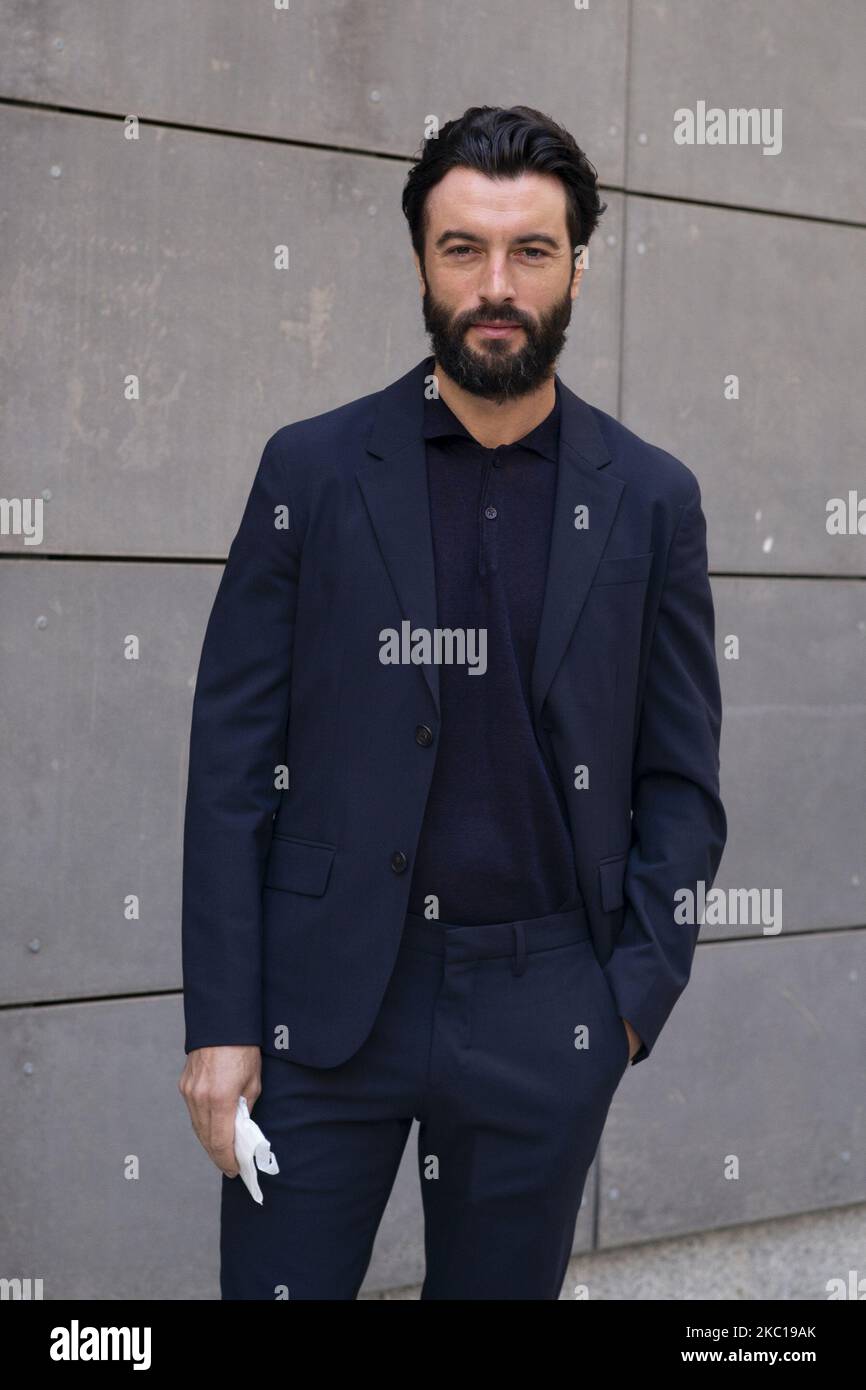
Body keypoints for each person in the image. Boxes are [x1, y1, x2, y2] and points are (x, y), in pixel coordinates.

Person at [178, 104, 727, 1300]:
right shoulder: (310, 471)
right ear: (420, 261)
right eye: (461, 248)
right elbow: (230, 761)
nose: (495, 284)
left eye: (530, 250)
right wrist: (222, 1025)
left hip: (548, 1010)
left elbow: (679, 785)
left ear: (577, 264)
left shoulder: (649, 501)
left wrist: (628, 1003)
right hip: (319, 1016)